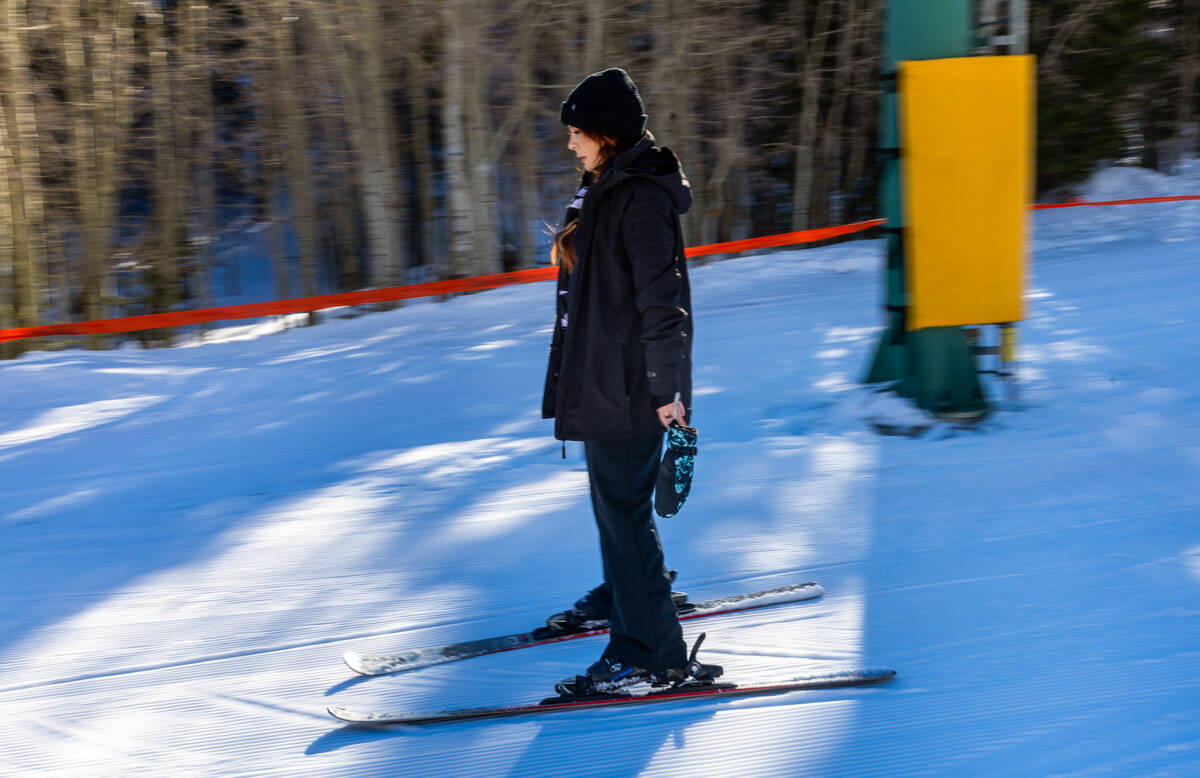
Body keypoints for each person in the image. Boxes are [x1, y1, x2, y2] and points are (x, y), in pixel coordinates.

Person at [541, 68, 718, 694]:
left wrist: (667, 390)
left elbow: (662, 302)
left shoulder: (639, 198)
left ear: (606, 133)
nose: (570, 143)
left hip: (631, 388)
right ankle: (627, 599)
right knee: (617, 513)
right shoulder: (603, 190)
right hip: (604, 383)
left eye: (577, 132)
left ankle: (649, 653)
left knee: (625, 514)